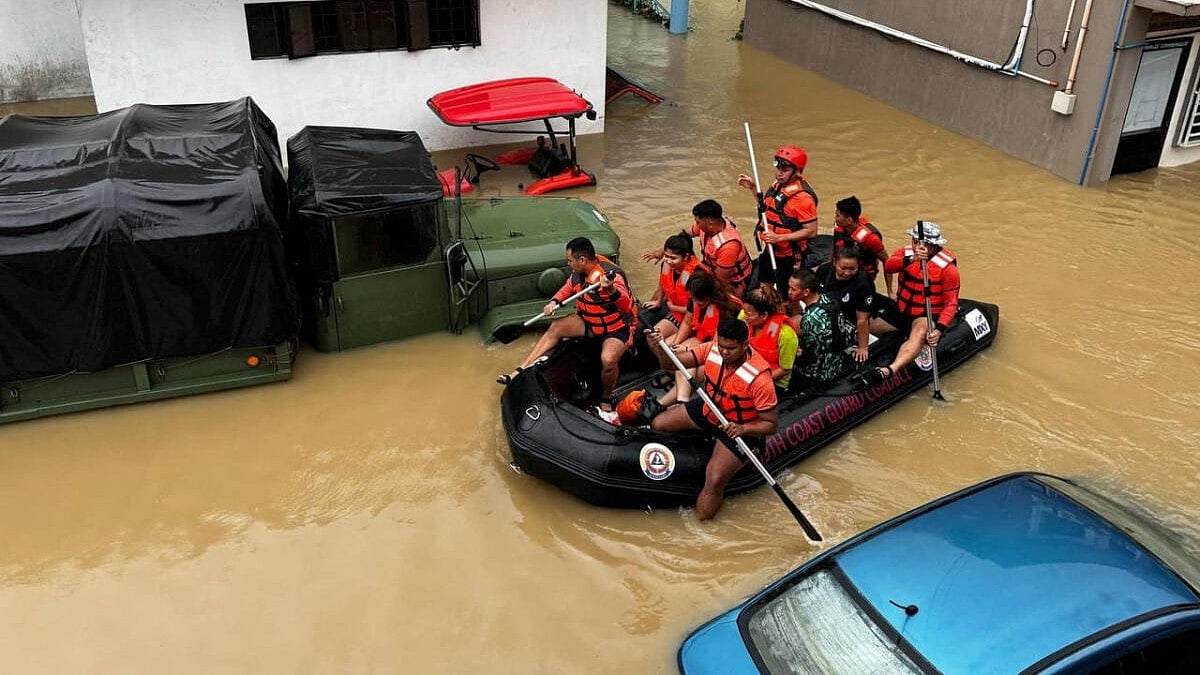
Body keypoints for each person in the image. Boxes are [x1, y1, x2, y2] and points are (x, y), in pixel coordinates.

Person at [648, 318, 778, 520]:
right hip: (709, 410)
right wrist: (659, 347)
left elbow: (771, 425)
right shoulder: (711, 349)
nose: (724, 352)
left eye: (731, 348)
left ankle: (702, 526)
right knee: (659, 424)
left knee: (715, 479)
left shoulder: (760, 379)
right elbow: (671, 364)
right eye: (722, 346)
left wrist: (743, 429)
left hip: (738, 427)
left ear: (745, 345)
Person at [498, 237, 635, 413]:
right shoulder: (578, 273)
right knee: (557, 327)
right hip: (590, 321)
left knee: (608, 360)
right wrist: (554, 302)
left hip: (616, 327)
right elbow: (568, 288)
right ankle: (520, 369)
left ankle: (606, 397)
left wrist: (610, 290)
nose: (568, 264)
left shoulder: (612, 276)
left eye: (570, 260)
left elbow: (626, 305)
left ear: (582, 260)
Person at [864, 221, 960, 385]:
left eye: (921, 244)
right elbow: (889, 266)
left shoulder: (948, 269)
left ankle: (891, 369)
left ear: (933, 245)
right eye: (914, 242)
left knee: (920, 331)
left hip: (926, 314)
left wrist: (939, 329)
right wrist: (912, 259)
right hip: (901, 308)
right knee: (867, 322)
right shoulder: (905, 253)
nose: (916, 246)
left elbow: (951, 303)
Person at [737, 145, 818, 292]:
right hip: (770, 249)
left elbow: (811, 231)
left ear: (797, 172)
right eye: (778, 169)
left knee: (787, 295)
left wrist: (779, 238)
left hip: (789, 256)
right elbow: (768, 208)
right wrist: (753, 188)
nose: (779, 173)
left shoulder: (803, 198)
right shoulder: (778, 185)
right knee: (764, 285)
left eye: (785, 170)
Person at [659, 270, 743, 403]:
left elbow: (718, 344)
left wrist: (688, 350)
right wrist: (676, 342)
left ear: (710, 296)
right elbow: (688, 321)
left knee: (686, 360)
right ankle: (674, 392)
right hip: (703, 338)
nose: (694, 302)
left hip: (720, 349)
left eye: (698, 301)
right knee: (668, 347)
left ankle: (674, 401)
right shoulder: (695, 298)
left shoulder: (728, 309)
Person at [643, 200, 753, 296]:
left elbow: (719, 280)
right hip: (709, 269)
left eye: (698, 222)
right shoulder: (708, 226)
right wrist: (663, 251)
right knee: (673, 267)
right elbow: (684, 235)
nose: (696, 225)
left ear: (710, 223)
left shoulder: (729, 247)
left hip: (732, 282)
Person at [787, 269, 850, 393]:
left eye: (793, 289)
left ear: (806, 292)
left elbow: (806, 351)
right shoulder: (829, 300)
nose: (789, 292)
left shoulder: (810, 319)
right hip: (837, 362)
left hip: (817, 374)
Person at [814, 245, 877, 363]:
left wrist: (863, 347)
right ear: (835, 262)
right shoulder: (824, 270)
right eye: (843, 268)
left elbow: (862, 319)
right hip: (824, 313)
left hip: (847, 323)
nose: (847, 273)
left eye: (852, 269)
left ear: (858, 265)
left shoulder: (864, 282)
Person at [641, 232, 704, 346]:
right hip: (673, 307)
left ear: (686, 257)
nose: (668, 261)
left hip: (688, 315)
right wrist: (658, 301)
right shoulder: (666, 265)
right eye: (666, 256)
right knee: (649, 333)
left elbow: (699, 308)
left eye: (673, 258)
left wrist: (673, 307)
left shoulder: (697, 274)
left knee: (656, 341)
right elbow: (663, 281)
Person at [741, 286, 798, 397]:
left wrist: (757, 382)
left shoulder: (786, 335)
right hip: (749, 371)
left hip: (774, 382)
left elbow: (785, 369)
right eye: (744, 312)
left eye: (749, 314)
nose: (744, 316)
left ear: (764, 315)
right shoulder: (745, 317)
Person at [831, 196, 892, 296]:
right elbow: (835, 248)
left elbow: (887, 261)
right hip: (844, 268)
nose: (835, 218)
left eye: (838, 216)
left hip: (864, 274)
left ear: (849, 220)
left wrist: (890, 291)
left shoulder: (871, 238)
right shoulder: (840, 227)